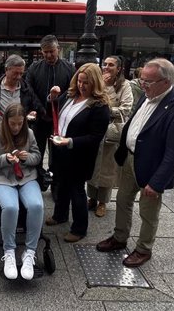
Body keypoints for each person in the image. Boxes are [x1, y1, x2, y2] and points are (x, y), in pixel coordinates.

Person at [96, 58, 174, 268]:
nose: (143, 85)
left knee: (148, 212)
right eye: (142, 80)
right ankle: (119, 238)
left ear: (166, 82)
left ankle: (143, 249)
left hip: (152, 167)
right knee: (122, 200)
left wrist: (157, 183)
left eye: (148, 82)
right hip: (131, 159)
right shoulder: (148, 95)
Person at [44, 63, 110, 243]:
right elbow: (54, 109)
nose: (82, 85)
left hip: (79, 156)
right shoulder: (71, 95)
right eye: (80, 81)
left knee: (76, 190)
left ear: (95, 83)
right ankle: (60, 215)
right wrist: (53, 97)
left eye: (86, 82)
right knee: (61, 185)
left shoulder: (99, 106)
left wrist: (70, 141)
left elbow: (95, 137)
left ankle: (79, 228)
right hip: (60, 150)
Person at [0, 103, 43, 280]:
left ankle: (29, 252)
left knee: (37, 205)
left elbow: (37, 157)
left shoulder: (29, 133)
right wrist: (5, 159)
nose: (16, 127)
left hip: (26, 177)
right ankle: (9, 251)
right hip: (2, 178)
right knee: (11, 207)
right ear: (5, 121)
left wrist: (27, 157)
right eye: (13, 124)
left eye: (20, 123)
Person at [87, 56, 133, 217]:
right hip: (94, 130)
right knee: (92, 166)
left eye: (111, 65)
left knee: (107, 168)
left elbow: (126, 109)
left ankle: (102, 202)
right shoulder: (98, 82)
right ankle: (91, 197)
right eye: (105, 64)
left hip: (110, 131)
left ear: (119, 68)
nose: (106, 67)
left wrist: (105, 110)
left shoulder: (124, 85)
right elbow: (89, 100)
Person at [25, 35, 75, 168]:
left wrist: (57, 100)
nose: (48, 55)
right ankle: (38, 181)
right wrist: (41, 109)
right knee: (37, 152)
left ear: (58, 49)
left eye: (51, 51)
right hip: (39, 118)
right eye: (45, 52)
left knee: (57, 154)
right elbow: (29, 90)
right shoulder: (33, 68)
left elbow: (72, 90)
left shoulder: (69, 68)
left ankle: (55, 183)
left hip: (59, 118)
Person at [0, 54, 43, 129]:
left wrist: (33, 114)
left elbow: (39, 109)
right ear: (6, 70)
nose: (18, 77)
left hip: (20, 134)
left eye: (21, 73)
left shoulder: (27, 89)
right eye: (15, 73)